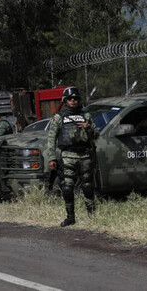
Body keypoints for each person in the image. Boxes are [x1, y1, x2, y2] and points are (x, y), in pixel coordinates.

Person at [47, 87, 100, 227]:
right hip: (68, 156)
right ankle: (70, 217)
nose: (73, 100)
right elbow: (51, 138)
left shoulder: (86, 116)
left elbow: (96, 135)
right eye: (70, 98)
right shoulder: (59, 117)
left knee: (88, 185)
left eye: (76, 98)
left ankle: (92, 215)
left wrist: (88, 127)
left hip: (85, 155)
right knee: (67, 187)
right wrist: (51, 158)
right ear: (65, 101)